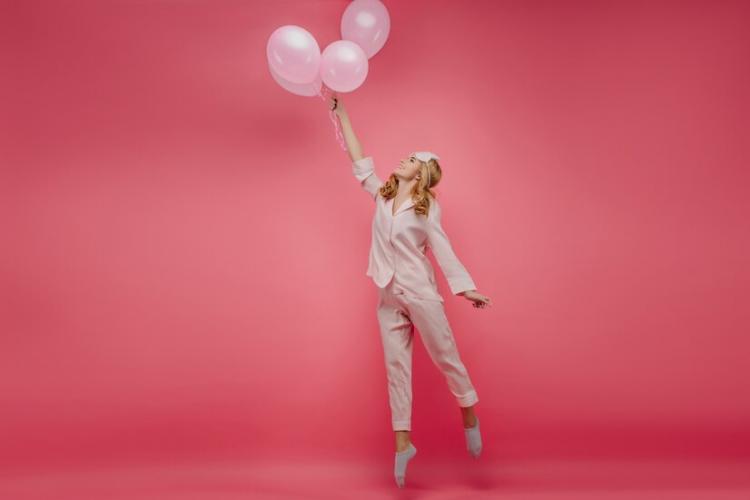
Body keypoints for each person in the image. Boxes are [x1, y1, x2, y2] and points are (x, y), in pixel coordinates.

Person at [328, 94, 492, 488]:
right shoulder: (383, 195)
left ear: (420, 174)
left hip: (419, 293)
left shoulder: (426, 209)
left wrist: (464, 288)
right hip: (387, 294)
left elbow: (442, 246)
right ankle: (404, 444)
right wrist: (342, 113)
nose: (401, 160)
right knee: (396, 370)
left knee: (445, 356)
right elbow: (358, 159)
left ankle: (468, 409)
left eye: (410, 160)